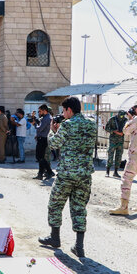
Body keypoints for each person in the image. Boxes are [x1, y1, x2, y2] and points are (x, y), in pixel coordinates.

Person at [39, 97, 97, 258]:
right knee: (79, 208)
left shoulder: (67, 125)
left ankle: (55, 238)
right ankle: (79, 246)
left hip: (67, 174)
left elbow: (54, 144)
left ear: (69, 110)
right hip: (85, 174)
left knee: (55, 204)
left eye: (64, 111)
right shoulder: (92, 124)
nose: (63, 114)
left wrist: (52, 130)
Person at [109, 102, 137, 215]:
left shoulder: (136, 119)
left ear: (136, 109)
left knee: (126, 179)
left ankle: (124, 207)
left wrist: (130, 118)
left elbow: (125, 131)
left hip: (136, 154)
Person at [31, 104, 54, 180]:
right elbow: (40, 124)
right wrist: (34, 118)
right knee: (40, 157)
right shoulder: (45, 118)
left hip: (43, 139)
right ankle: (40, 174)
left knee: (40, 157)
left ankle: (49, 171)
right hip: (42, 138)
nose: (39, 113)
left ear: (45, 111)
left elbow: (39, 128)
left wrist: (34, 125)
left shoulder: (47, 118)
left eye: (40, 111)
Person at [104, 110, 127, 177]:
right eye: (121, 116)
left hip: (120, 141)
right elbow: (106, 128)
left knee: (119, 157)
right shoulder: (112, 119)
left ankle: (115, 172)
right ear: (118, 114)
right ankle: (107, 172)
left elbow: (128, 129)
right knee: (110, 156)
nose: (121, 117)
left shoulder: (125, 120)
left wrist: (123, 132)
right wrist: (114, 131)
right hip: (113, 141)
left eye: (123, 116)